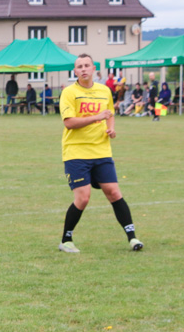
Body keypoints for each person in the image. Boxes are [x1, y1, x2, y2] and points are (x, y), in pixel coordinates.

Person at [58, 54, 144, 253]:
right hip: (76, 152)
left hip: (101, 151)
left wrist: (110, 128)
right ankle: (66, 240)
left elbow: (109, 114)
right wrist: (97, 117)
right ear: (75, 71)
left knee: (114, 192)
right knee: (83, 198)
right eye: (79, 66)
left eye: (87, 65)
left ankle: (132, 238)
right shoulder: (69, 93)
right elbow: (69, 122)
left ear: (94, 68)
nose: (84, 69)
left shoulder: (104, 91)